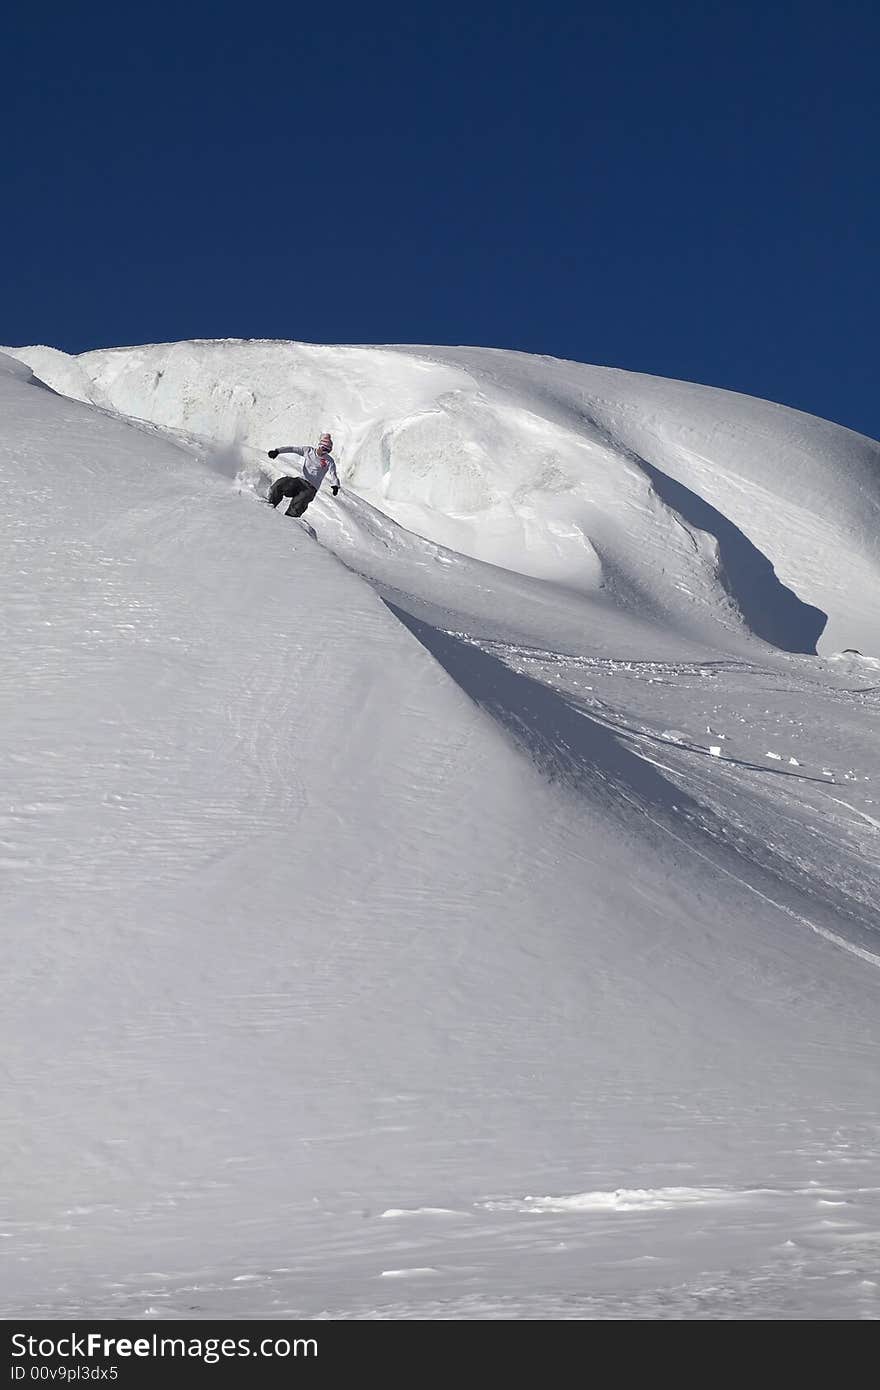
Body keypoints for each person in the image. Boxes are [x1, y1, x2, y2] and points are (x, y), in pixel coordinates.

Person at [265, 433, 340, 517]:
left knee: (299, 503)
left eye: (327, 450)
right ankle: (269, 505)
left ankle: (289, 520)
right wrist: (278, 451)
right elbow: (292, 449)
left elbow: (333, 474)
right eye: (323, 448)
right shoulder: (308, 451)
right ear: (319, 445)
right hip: (299, 481)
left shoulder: (329, 461)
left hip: (311, 488)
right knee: (282, 484)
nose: (324, 452)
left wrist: (335, 485)